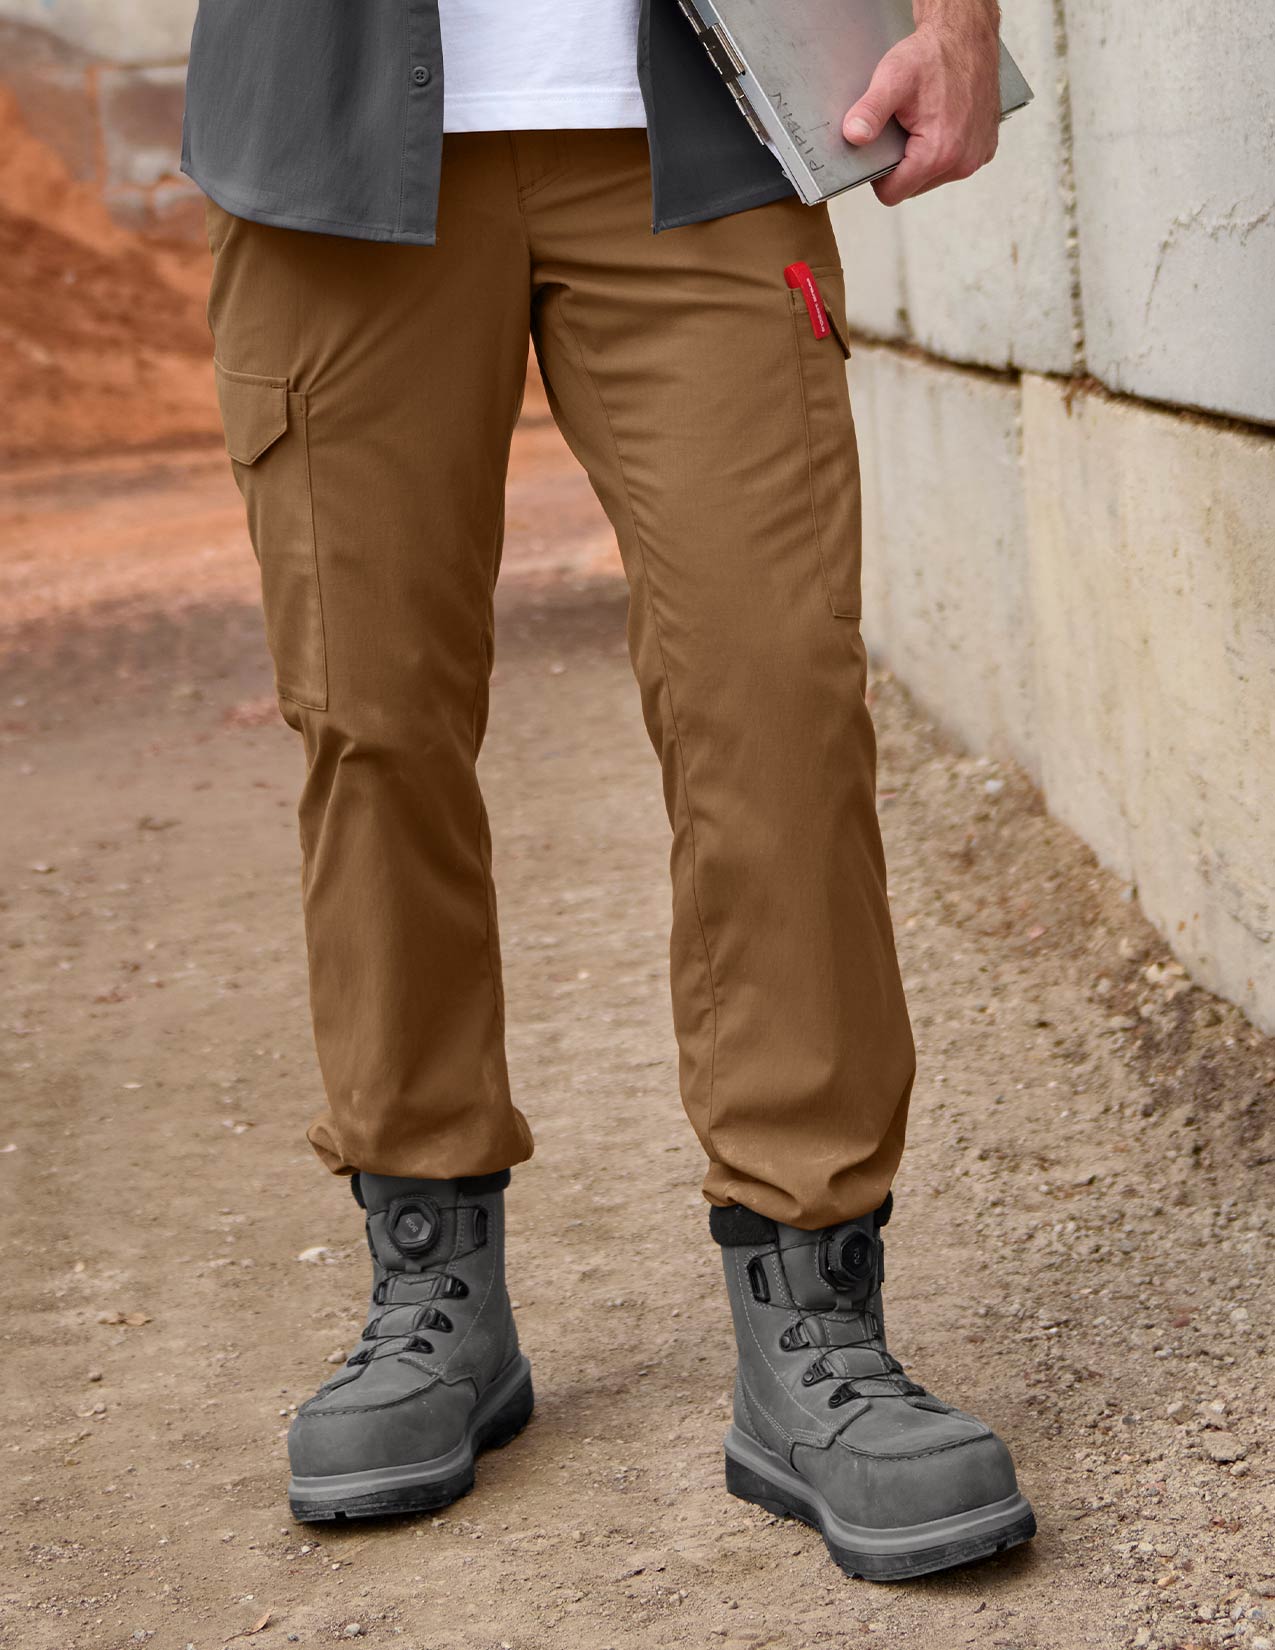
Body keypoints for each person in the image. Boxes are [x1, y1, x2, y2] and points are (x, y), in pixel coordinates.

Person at [182, 0, 1035, 1582]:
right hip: (330, 140)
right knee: (372, 718)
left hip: (699, 123)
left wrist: (956, 12)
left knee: (774, 696)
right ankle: (429, 1268)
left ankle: (812, 1301)